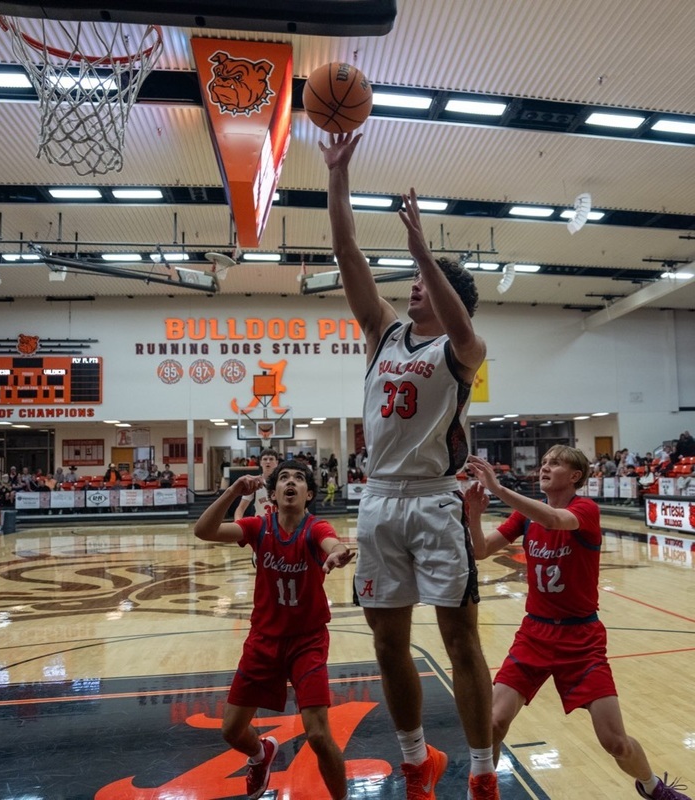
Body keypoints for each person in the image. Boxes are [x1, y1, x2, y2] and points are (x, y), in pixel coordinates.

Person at [320, 131, 498, 800]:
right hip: (378, 501)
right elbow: (346, 252)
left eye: (424, 282)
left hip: (433, 498)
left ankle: (482, 771)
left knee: (459, 638)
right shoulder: (384, 332)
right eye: (414, 281)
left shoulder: (466, 348)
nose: (413, 287)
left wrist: (424, 245)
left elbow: (459, 324)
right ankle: (415, 760)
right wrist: (338, 177)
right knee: (389, 641)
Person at [465, 446, 692, 800]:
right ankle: (482, 792)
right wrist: (475, 517)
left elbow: (554, 520)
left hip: (581, 638)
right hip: (535, 633)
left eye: (554, 463)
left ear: (575, 477)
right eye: (543, 463)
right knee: (492, 723)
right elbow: (480, 551)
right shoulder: (524, 518)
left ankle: (653, 787)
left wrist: (497, 489)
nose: (544, 468)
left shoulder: (584, 509)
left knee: (615, 742)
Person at [193, 459, 354, 800]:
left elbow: (331, 542)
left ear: (309, 494)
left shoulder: (315, 528)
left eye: (298, 478)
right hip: (264, 639)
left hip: (306, 641)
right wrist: (234, 490)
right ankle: (260, 754)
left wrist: (338, 552)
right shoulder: (258, 527)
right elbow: (203, 531)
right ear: (274, 493)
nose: (290, 482)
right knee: (232, 731)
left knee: (319, 736)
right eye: (283, 478)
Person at [233, 448, 279, 521]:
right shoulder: (254, 483)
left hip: (280, 527)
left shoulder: (283, 483)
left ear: (277, 462)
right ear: (260, 462)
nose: (268, 462)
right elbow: (240, 509)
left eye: (271, 459)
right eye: (265, 459)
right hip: (262, 527)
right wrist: (237, 523)